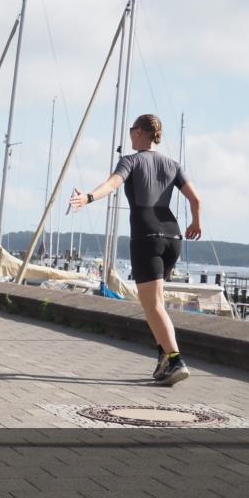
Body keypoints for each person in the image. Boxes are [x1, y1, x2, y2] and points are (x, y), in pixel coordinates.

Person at [69, 113, 202, 386]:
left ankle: (175, 359)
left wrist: (88, 197)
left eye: (132, 129)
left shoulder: (131, 161)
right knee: (157, 303)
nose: (130, 134)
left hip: (146, 236)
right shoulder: (173, 165)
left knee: (152, 305)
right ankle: (163, 360)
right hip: (173, 237)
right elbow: (196, 199)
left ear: (140, 132)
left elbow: (112, 184)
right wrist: (196, 223)